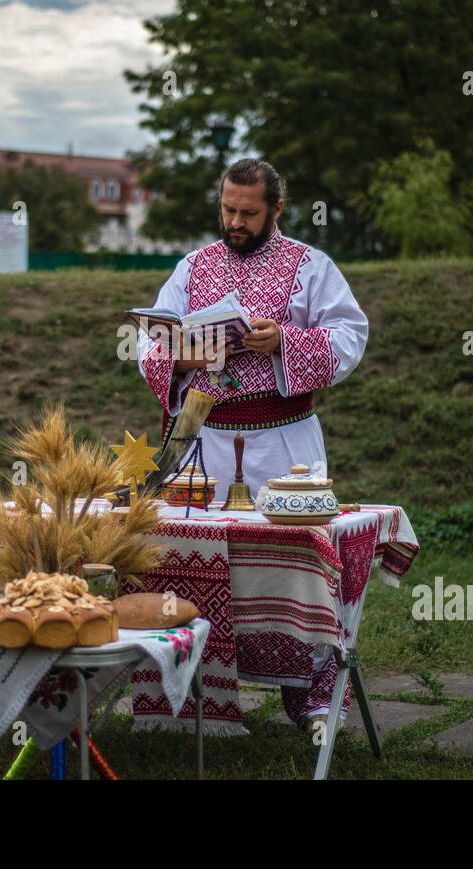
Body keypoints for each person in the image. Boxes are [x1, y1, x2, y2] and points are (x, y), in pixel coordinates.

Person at [136, 157, 369, 728]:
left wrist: (282, 340)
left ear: (276, 210)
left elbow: (350, 335)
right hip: (205, 438)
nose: (235, 221)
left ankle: (312, 696)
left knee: (294, 563)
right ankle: (199, 694)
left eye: (248, 212)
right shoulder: (192, 268)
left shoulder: (310, 267)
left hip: (283, 444)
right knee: (205, 558)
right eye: (227, 209)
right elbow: (152, 342)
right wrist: (183, 353)